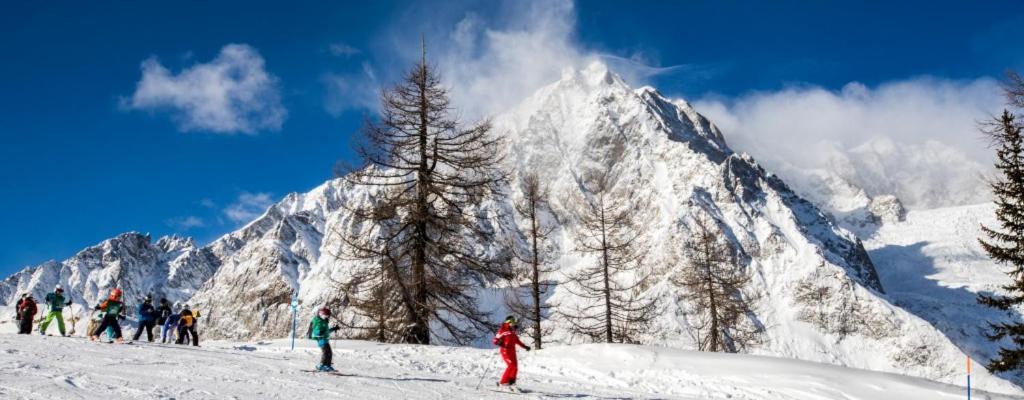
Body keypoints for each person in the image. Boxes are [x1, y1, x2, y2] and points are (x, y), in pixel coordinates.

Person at [493, 315, 530, 390]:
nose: (515, 324)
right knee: (511, 366)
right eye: (513, 322)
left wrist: (525, 346)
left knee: (515, 367)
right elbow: (495, 340)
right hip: (505, 350)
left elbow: (517, 341)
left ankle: (511, 382)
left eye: (515, 323)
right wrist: (498, 342)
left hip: (512, 351)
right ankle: (503, 382)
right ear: (509, 322)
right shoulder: (502, 330)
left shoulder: (513, 332)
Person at [306, 306, 340, 372]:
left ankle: (327, 365)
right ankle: (321, 365)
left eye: (328, 315)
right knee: (326, 352)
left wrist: (334, 329)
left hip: (325, 339)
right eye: (326, 315)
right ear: (322, 314)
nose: (327, 317)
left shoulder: (324, 321)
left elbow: (326, 331)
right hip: (321, 339)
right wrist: (319, 332)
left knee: (329, 353)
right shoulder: (318, 321)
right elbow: (315, 330)